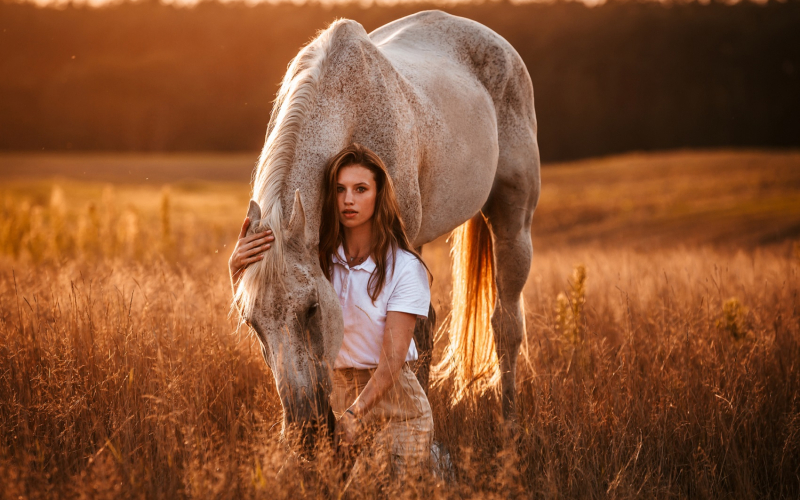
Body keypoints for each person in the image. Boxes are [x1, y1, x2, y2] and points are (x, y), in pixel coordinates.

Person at [229, 143, 433, 474]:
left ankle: (435, 464)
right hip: (334, 402)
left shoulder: (404, 267)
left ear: (378, 196)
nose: (348, 199)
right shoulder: (320, 265)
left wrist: (355, 414)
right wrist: (238, 271)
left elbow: (394, 359)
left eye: (360, 189)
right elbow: (269, 317)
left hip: (396, 407)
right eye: (340, 190)